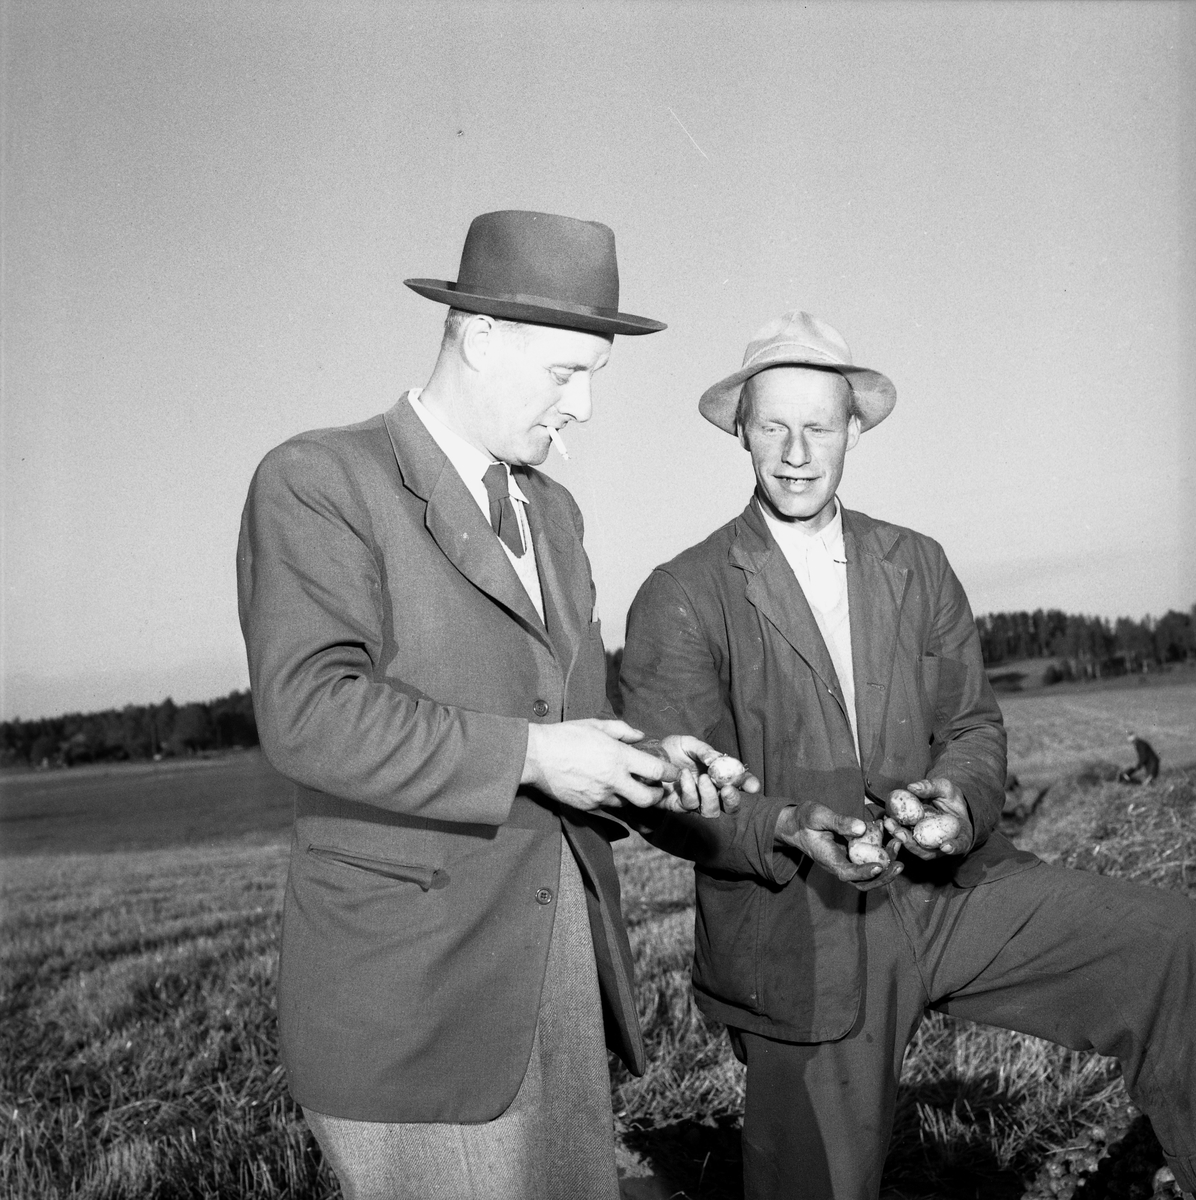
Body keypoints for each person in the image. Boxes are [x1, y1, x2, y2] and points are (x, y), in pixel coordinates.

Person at [619, 310, 1196, 1200]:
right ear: (741, 432)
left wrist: (958, 803)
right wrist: (786, 825)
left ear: (855, 431)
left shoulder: (917, 563)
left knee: (1170, 946)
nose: (797, 454)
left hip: (950, 892)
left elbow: (973, 727)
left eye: (820, 428)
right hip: (800, 931)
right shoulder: (683, 594)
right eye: (773, 427)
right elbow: (667, 794)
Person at [237, 210, 750, 1200]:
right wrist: (535, 755)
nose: (583, 406)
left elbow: (561, 719)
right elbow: (310, 712)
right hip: (414, 1000)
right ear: (478, 337)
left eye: (595, 375)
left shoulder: (552, 511)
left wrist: (652, 765)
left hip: (556, 977)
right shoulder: (319, 480)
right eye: (566, 372)